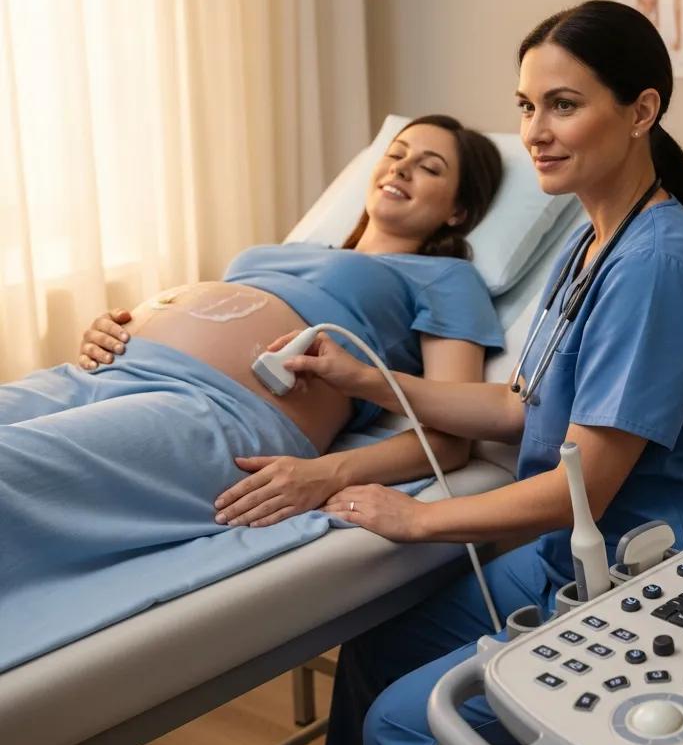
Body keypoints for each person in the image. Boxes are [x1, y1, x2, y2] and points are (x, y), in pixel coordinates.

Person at [294, 0, 683, 745]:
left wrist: (418, 520)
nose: (534, 133)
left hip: (640, 574)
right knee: (375, 648)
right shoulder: (591, 239)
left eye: (563, 106)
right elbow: (519, 406)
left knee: (406, 728)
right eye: (526, 106)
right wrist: (370, 383)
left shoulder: (657, 266)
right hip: (565, 554)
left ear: (641, 111)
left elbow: (580, 491)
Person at [0, 116, 504, 562]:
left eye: (429, 167)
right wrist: (114, 329)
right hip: (109, 372)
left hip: (217, 408)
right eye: (396, 154)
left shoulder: (443, 277)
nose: (401, 167)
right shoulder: (281, 252)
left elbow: (449, 437)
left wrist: (330, 472)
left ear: (458, 211)